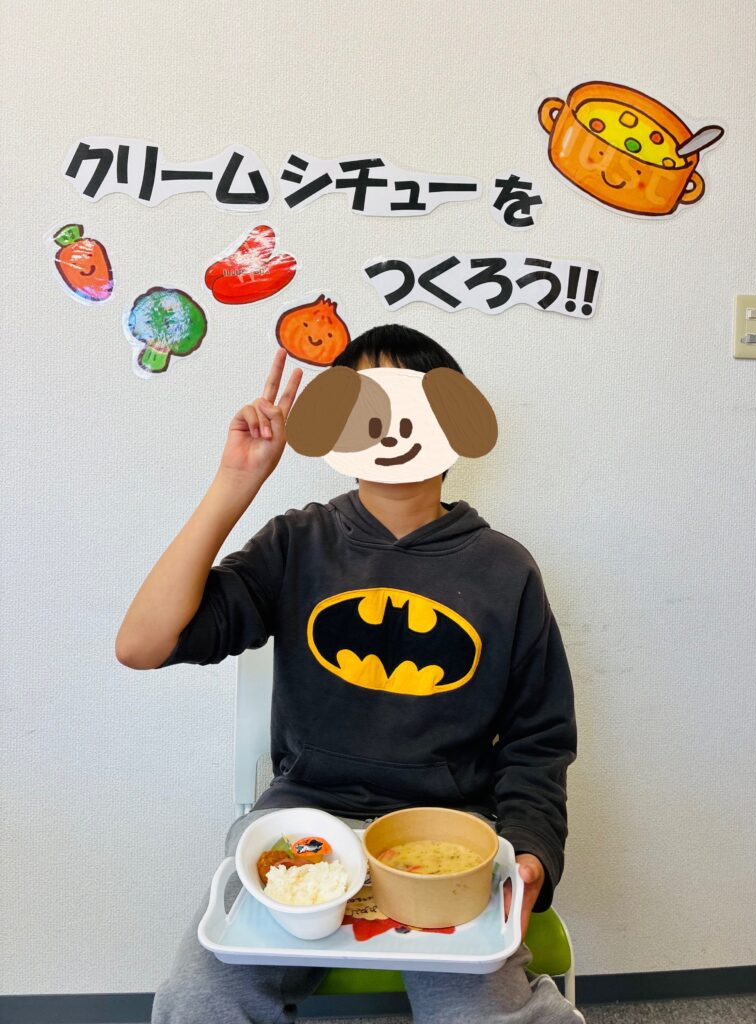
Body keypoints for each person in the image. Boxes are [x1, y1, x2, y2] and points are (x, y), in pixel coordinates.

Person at [116, 325, 584, 1024]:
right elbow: (142, 645)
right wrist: (236, 481)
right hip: (307, 824)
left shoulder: (504, 570)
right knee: (200, 1002)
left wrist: (533, 848)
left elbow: (538, 741)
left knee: (482, 1012)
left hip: (447, 833)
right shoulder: (296, 544)